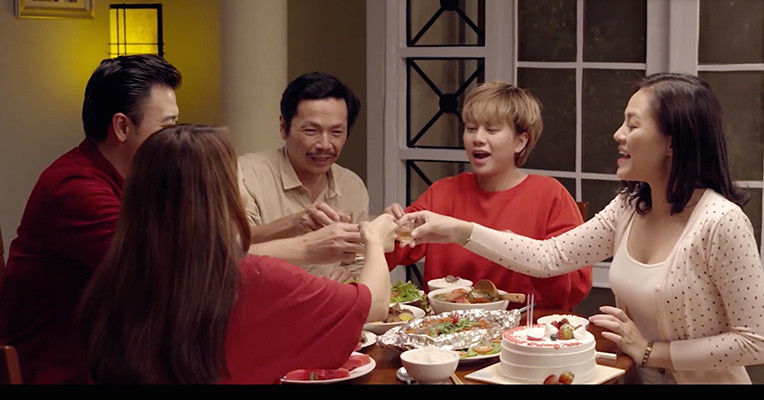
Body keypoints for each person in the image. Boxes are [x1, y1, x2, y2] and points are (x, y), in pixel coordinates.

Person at [398, 73, 764, 384]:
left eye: (632, 124)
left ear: (672, 142)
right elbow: (549, 256)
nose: (618, 134)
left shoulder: (721, 222)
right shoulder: (629, 207)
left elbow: (755, 341)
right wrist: (461, 231)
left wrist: (651, 351)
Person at [76, 124, 396, 384]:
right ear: (220, 195)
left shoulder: (111, 279)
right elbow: (375, 304)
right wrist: (373, 238)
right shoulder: (252, 279)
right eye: (238, 178)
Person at [0, 54, 182, 384]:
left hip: (112, 358)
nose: (176, 138)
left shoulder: (134, 179)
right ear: (122, 127)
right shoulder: (74, 186)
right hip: (61, 372)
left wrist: (275, 233)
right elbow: (166, 269)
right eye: (167, 127)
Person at [384, 81, 592, 311]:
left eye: (491, 130)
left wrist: (524, 253)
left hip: (524, 328)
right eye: (471, 128)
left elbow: (574, 289)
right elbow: (392, 250)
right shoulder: (442, 192)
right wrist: (385, 229)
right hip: (445, 328)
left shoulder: (550, 196)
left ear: (520, 141)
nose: (478, 138)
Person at [239, 72, 369, 281]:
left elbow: (357, 260)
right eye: (311, 131)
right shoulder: (246, 175)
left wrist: (350, 275)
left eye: (336, 132)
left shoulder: (351, 185)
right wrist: (292, 225)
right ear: (283, 127)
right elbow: (230, 250)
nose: (325, 144)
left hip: (329, 299)